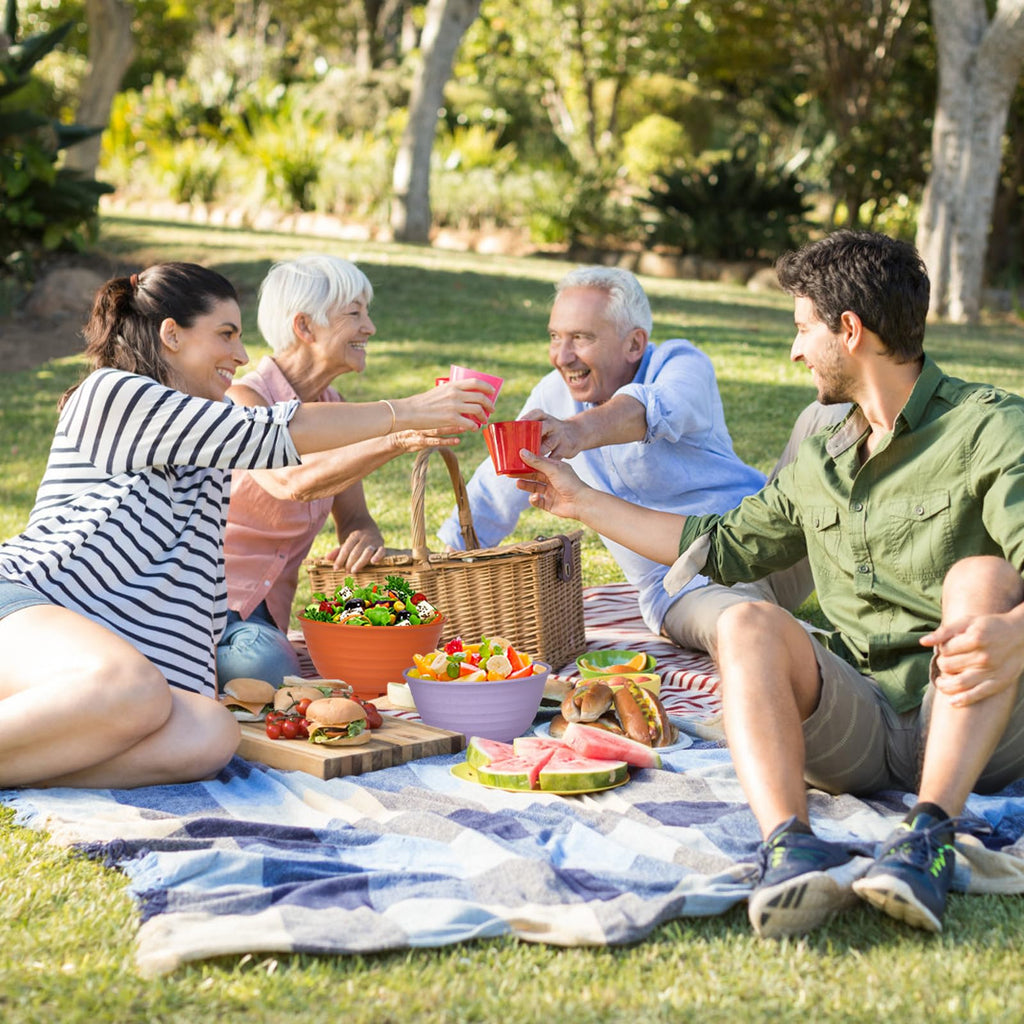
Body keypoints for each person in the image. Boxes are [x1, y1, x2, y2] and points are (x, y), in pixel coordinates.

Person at [514, 231, 1024, 939]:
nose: (793, 350)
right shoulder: (822, 459)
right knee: (744, 623)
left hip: (973, 720)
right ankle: (791, 848)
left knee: (983, 577)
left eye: (802, 329)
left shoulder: (990, 428)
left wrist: (1014, 632)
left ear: (849, 332)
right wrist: (577, 499)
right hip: (865, 722)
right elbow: (713, 545)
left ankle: (927, 841)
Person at [0, 262, 493, 790]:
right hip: (27, 608)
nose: (239, 355)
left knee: (211, 733)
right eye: (226, 335)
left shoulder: (206, 462)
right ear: (172, 335)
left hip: (108, 667)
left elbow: (199, 595)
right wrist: (409, 412)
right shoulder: (112, 394)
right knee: (136, 689)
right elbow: (266, 434)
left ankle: (32, 761)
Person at [437, 264, 843, 659]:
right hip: (685, 586)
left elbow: (650, 410)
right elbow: (494, 491)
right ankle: (844, 665)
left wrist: (576, 431)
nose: (562, 356)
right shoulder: (551, 396)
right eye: (555, 337)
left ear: (634, 343)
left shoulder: (682, 364)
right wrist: (434, 575)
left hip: (769, 540)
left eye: (580, 338)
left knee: (832, 414)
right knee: (752, 633)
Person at [217, 254, 461, 687]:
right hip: (214, 602)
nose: (370, 327)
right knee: (267, 673)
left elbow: (354, 518)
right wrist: (397, 436)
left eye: (367, 313)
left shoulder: (335, 406)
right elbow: (290, 481)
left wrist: (363, 535)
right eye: (354, 313)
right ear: (304, 327)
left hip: (268, 612)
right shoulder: (243, 401)